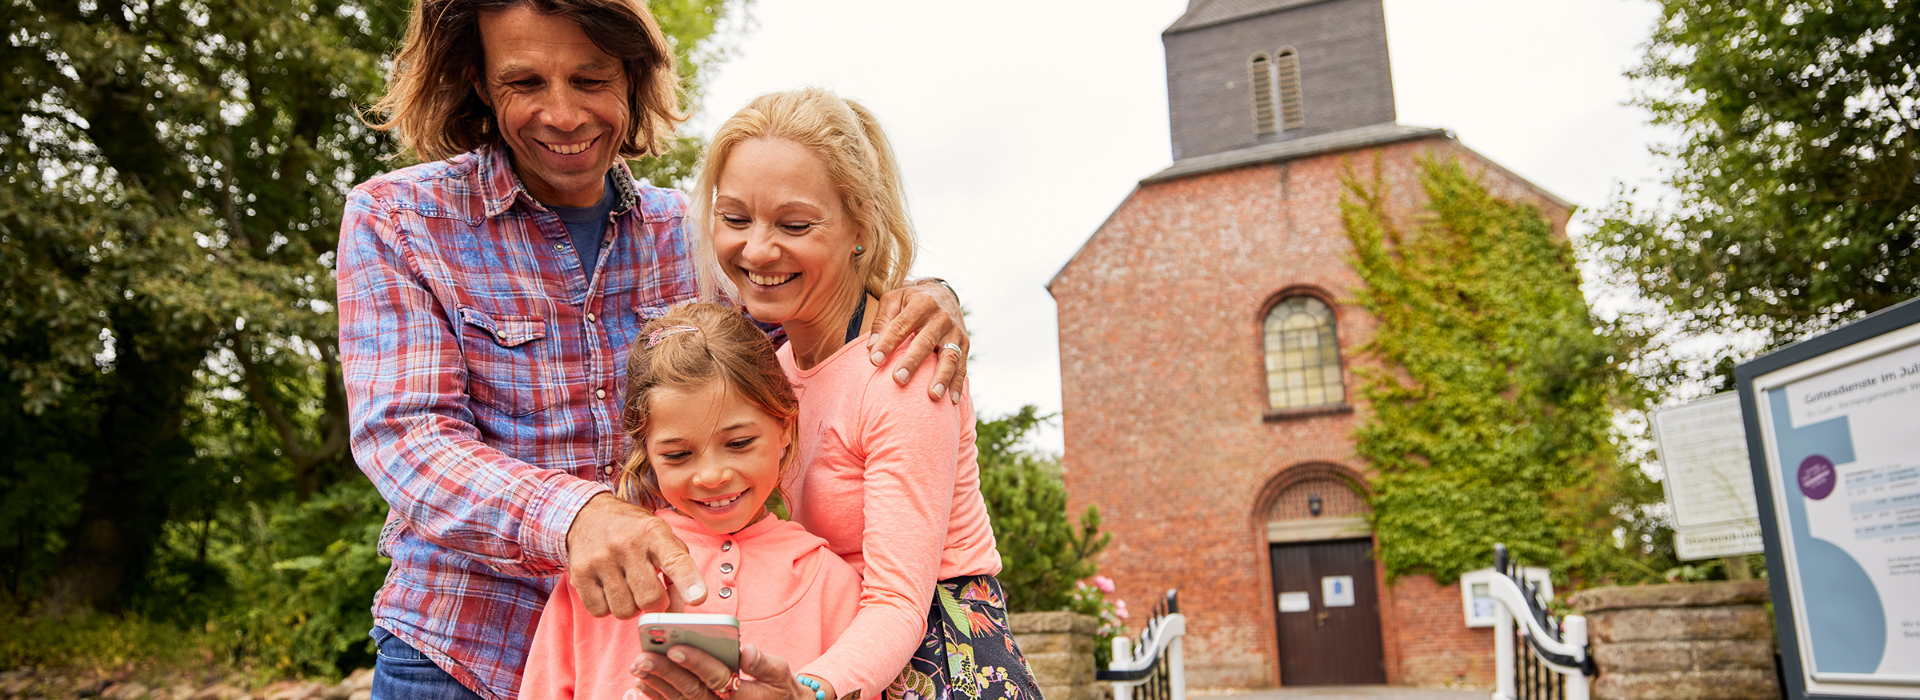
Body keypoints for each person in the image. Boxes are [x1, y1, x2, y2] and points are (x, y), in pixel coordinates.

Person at [337, 0, 970, 697]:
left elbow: (808, 328)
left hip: (650, 660)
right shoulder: (398, 220)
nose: (565, 114)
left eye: (590, 80)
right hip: (458, 648)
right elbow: (407, 436)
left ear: (634, 80)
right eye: (525, 83)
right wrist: (578, 514)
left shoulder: (695, 237)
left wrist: (917, 292)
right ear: (480, 82)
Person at [632, 88, 1040, 700]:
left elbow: (901, 601)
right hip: (840, 653)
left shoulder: (902, 371)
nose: (759, 250)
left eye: (794, 224)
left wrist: (810, 690)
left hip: (938, 659)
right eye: (735, 218)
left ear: (861, 225)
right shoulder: (772, 365)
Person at [522, 302, 863, 700]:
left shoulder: (833, 585)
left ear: (784, 426)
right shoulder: (604, 570)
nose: (710, 475)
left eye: (738, 443)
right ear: (646, 451)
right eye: (678, 455)